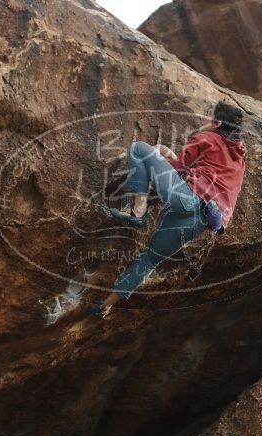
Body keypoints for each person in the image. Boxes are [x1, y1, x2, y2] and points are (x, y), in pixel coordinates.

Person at [93, 100, 246, 317]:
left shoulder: (207, 137)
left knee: (139, 149)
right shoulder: (239, 161)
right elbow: (198, 173)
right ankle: (107, 305)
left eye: (209, 115)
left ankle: (137, 211)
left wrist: (159, 152)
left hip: (186, 200)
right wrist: (169, 156)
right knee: (149, 260)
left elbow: (179, 167)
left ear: (217, 122)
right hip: (200, 222)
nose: (204, 119)